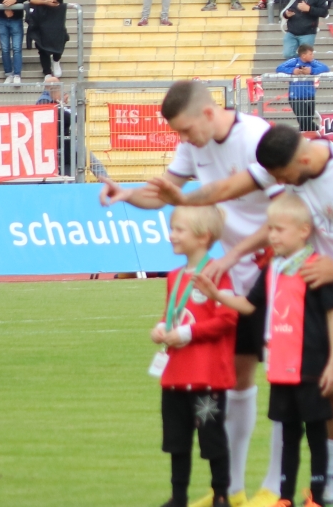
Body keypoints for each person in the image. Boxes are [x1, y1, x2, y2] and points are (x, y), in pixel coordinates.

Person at [102, 82, 273, 504]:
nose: (183, 139)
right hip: (227, 273)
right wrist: (126, 193)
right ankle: (231, 490)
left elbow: (284, 216)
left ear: (208, 113)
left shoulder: (257, 138)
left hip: (270, 270)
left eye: (185, 130)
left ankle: (275, 487)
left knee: (285, 380)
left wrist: (233, 255)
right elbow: (166, 193)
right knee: (238, 378)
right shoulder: (193, 146)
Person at [246, 122, 333, 506]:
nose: (282, 183)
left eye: (283, 175)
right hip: (325, 305)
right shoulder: (298, 175)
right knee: (332, 392)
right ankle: (328, 489)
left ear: (304, 160)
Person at [153, 204, 241, 507]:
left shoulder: (218, 273)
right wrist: (162, 328)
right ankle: (178, 497)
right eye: (172, 228)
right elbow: (172, 314)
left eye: (179, 229)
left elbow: (228, 318)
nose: (172, 235)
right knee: (176, 441)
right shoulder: (174, 276)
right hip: (175, 376)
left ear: (203, 236)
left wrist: (187, 334)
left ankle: (221, 495)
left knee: (212, 438)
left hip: (207, 377)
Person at [260, 193, 333, 507]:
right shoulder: (273, 268)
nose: (272, 235)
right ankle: (285, 497)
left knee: (316, 431)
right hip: (281, 366)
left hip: (311, 365)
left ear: (304, 231)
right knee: (288, 433)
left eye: (279, 229)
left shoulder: (316, 269)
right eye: (270, 228)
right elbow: (252, 304)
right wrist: (217, 294)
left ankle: (317, 496)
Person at [276, 0, 330, 64]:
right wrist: (286, 14)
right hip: (292, 31)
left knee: (305, 56)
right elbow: (283, 9)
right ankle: (299, 64)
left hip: (308, 32)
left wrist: (309, 9)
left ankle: (304, 67)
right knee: (287, 54)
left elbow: (324, 12)